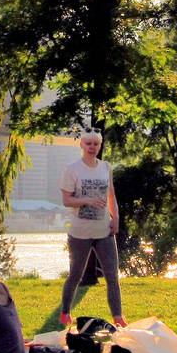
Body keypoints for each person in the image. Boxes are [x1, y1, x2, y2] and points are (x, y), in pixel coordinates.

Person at [58, 131, 125, 328]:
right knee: (76, 274)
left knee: (112, 275)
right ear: (81, 145)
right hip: (80, 232)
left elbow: (111, 195)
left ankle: (118, 317)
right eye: (88, 143)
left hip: (104, 231)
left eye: (96, 143)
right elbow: (66, 200)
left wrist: (116, 218)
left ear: (100, 145)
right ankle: (65, 312)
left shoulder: (105, 167)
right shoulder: (72, 170)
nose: (92, 147)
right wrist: (87, 200)